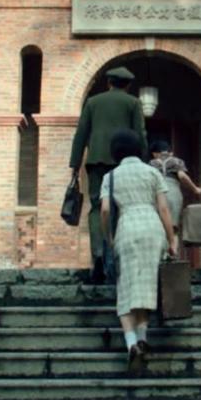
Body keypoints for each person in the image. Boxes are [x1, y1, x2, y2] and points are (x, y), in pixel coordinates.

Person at [101, 129, 178, 374]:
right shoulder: (152, 172)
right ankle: (143, 337)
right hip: (153, 227)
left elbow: (105, 210)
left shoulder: (110, 176)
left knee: (126, 288)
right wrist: (172, 239)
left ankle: (131, 343)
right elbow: (164, 209)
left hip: (127, 227)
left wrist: (108, 236)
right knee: (146, 285)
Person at [69, 67, 148, 282]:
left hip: (96, 160)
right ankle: (119, 257)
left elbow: (81, 134)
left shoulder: (93, 102)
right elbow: (140, 133)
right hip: (124, 162)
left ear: (109, 82)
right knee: (124, 206)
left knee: (97, 206)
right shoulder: (133, 103)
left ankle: (98, 253)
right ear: (128, 85)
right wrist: (144, 161)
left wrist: (75, 163)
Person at [149, 140, 201, 239]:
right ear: (171, 153)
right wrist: (195, 189)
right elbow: (182, 176)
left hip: (157, 195)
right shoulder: (176, 161)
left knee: (159, 228)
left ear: (155, 154)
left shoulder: (151, 164)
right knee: (173, 230)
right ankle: (173, 247)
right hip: (173, 194)